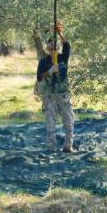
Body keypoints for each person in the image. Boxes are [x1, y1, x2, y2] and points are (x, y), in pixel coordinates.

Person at [35, 21, 75, 152]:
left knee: (68, 121)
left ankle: (68, 146)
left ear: (57, 46)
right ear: (47, 47)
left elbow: (67, 46)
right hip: (50, 96)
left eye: (54, 42)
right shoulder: (43, 61)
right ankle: (51, 147)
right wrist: (50, 71)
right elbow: (40, 76)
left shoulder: (63, 58)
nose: (52, 44)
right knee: (51, 123)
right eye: (50, 42)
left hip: (63, 95)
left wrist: (60, 33)